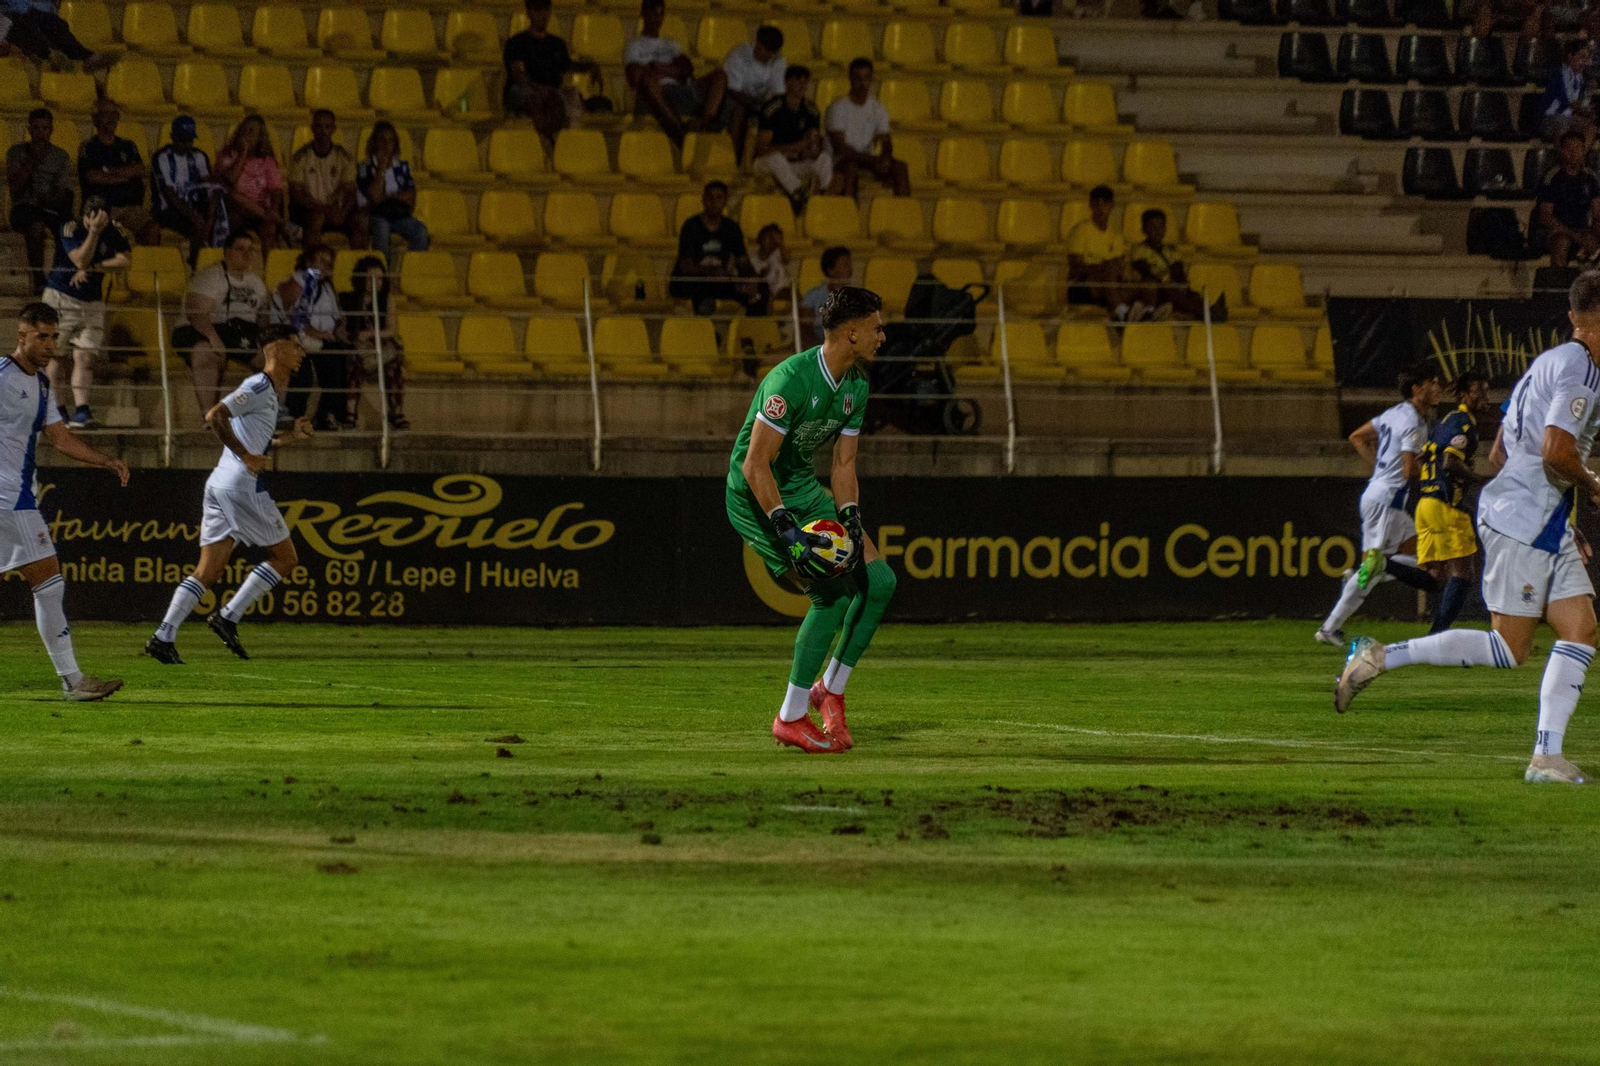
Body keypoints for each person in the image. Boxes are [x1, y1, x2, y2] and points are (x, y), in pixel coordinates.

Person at [1336, 272, 1600, 786]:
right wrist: (1591, 486)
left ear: (1572, 314)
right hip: (1525, 518)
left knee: (1581, 629)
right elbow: (1555, 451)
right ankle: (1380, 656)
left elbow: (1501, 450)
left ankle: (1546, 757)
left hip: (1539, 518)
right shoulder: (1583, 372)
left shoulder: (1548, 362)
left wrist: (1561, 514)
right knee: (1508, 647)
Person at [725, 285, 897, 754]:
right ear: (852, 333)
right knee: (832, 596)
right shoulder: (791, 380)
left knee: (879, 581)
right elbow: (754, 465)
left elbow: (843, 466)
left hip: (801, 486)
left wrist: (850, 516)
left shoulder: (856, 386)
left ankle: (831, 691)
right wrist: (785, 527)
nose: (884, 335)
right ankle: (790, 716)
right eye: (877, 327)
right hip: (755, 496)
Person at [144, 325, 314, 666]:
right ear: (276, 349)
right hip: (241, 486)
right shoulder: (257, 385)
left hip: (220, 484)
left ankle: (163, 637)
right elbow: (214, 416)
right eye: (295, 346)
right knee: (286, 558)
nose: (301, 352)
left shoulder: (269, 392)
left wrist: (289, 437)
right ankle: (229, 616)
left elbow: (256, 442)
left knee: (208, 571)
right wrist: (245, 455)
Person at [0, 300, 129, 700]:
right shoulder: (2, 376)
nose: (50, 345)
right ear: (21, 335)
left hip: (14, 497)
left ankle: (73, 681)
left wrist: (105, 460)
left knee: (48, 585)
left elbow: (59, 437)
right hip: (10, 498)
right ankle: (73, 681)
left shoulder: (41, 384)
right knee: (50, 583)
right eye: (42, 336)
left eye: (54, 337)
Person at [1315, 362, 1444, 645]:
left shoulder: (1394, 414)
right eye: (1432, 383)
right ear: (1416, 388)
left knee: (1424, 559)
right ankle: (1328, 629)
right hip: (1386, 501)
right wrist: (1438, 473)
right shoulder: (1411, 422)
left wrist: (1378, 470)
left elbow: (1358, 437)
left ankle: (1361, 575)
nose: (1438, 388)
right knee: (1381, 567)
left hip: (1385, 499)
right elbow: (1410, 470)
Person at [41, 195, 131, 430]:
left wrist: (95, 267)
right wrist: (94, 233)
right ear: (84, 217)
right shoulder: (69, 228)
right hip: (61, 298)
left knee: (85, 357)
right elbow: (79, 260)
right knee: (56, 358)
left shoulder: (114, 230)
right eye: (91, 222)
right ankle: (56, 411)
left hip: (91, 301)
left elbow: (125, 260)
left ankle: (82, 411)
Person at [1414, 371, 1491, 634]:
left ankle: (1386, 566)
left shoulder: (1447, 420)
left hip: (1426, 503)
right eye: (1479, 391)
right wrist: (1476, 478)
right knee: (1464, 573)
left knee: (1435, 577)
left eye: (1486, 391)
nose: (1485, 397)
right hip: (1446, 507)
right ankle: (1437, 635)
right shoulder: (1464, 424)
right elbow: (1450, 462)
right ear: (1464, 394)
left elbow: (1422, 458)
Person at [174, 231, 269, 414]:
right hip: (202, 329)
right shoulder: (210, 276)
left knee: (273, 360)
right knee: (205, 353)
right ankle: (209, 416)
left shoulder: (256, 283)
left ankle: (271, 413)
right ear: (226, 252)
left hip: (240, 331)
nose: (246, 254)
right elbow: (196, 313)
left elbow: (263, 317)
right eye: (240, 249)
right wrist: (214, 339)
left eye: (250, 250)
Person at [273, 244, 350, 430]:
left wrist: (339, 331)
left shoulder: (326, 286)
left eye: (329, 263)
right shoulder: (300, 281)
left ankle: (328, 414)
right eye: (321, 261)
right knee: (303, 367)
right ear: (308, 262)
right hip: (293, 337)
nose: (326, 267)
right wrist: (319, 333)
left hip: (320, 341)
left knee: (341, 360)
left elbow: (336, 317)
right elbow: (293, 317)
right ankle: (294, 414)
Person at [625, 0, 723, 144]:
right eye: (653, 13)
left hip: (680, 91)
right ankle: (681, 133)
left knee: (719, 76)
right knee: (649, 82)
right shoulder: (634, 46)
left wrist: (657, 68)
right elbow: (635, 76)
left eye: (661, 14)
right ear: (644, 14)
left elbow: (687, 69)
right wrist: (672, 70)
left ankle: (705, 124)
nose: (657, 19)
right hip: (653, 97)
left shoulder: (671, 44)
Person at [503, 0, 597, 150]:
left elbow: (567, 66)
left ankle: (559, 142)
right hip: (522, 90)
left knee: (566, 99)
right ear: (529, 12)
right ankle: (545, 141)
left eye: (545, 10)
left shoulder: (557, 44)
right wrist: (540, 89)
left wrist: (590, 67)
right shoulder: (516, 43)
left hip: (551, 90)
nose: (542, 15)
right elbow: (519, 77)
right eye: (537, 10)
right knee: (534, 98)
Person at [7, 108, 74, 294]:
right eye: (36, 128)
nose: (40, 133)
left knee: (69, 229)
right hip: (23, 207)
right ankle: (38, 280)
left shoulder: (61, 156)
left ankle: (60, 278)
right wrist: (33, 159)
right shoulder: (16, 152)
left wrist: (44, 200)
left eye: (44, 128)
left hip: (48, 205)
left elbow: (61, 192)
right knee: (35, 227)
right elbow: (15, 187)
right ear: (29, 129)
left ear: (51, 130)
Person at [754, 65, 836, 216]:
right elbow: (762, 149)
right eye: (798, 80)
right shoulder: (773, 108)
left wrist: (811, 151)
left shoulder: (810, 109)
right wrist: (792, 147)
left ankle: (823, 196)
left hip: (795, 163)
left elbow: (815, 147)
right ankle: (799, 194)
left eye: (805, 80)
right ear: (787, 83)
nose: (802, 84)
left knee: (824, 158)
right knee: (775, 159)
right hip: (767, 163)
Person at [825, 58, 911, 199]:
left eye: (866, 78)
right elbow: (840, 148)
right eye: (858, 78)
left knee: (900, 167)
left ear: (871, 79)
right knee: (850, 167)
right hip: (839, 160)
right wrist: (873, 160)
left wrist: (885, 157)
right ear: (850, 79)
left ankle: (903, 214)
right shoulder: (837, 108)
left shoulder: (878, 109)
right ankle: (850, 212)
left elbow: (886, 142)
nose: (863, 83)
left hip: (865, 159)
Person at [669, 180, 759, 315]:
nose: (714, 201)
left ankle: (748, 331)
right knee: (705, 289)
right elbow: (686, 266)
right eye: (710, 197)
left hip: (719, 282)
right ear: (703, 200)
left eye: (719, 197)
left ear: (725, 201)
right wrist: (712, 273)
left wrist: (751, 279)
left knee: (759, 292)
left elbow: (743, 261)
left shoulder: (731, 228)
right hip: (691, 282)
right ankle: (708, 332)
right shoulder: (691, 226)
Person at [340, 255, 407, 430]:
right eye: (371, 278)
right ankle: (350, 414)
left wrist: (369, 334)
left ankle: (396, 413)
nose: (376, 282)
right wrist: (356, 337)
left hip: (379, 345)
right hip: (358, 348)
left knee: (394, 368)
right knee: (353, 363)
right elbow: (342, 328)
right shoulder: (348, 299)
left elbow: (391, 330)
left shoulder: (387, 299)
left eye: (379, 278)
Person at [78, 102, 158, 246]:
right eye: (106, 114)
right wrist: (125, 177)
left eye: (114, 114)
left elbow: (139, 170)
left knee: (152, 228)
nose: (111, 118)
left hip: (129, 207)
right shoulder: (89, 146)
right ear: (95, 119)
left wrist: (107, 170)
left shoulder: (128, 145)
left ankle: (146, 267)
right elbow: (93, 177)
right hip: (102, 208)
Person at [288, 109, 366, 252]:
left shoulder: (343, 157)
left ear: (333, 129)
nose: (323, 131)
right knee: (315, 220)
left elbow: (350, 191)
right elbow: (297, 194)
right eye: (319, 126)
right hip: (312, 210)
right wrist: (324, 209)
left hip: (337, 211)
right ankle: (313, 273)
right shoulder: (301, 157)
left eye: (327, 127)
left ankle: (357, 270)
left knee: (361, 222)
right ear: (312, 129)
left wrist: (342, 213)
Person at [151, 115, 222, 264]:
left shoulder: (199, 156)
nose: (186, 144)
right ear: (172, 137)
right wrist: (193, 215)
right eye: (182, 140)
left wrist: (211, 212)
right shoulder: (162, 157)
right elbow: (169, 194)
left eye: (189, 140)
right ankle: (195, 263)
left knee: (220, 219)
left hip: (194, 204)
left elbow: (209, 186)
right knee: (197, 225)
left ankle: (210, 262)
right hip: (168, 209)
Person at [713, 24, 786, 164]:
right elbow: (734, 90)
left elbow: (778, 93)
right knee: (739, 109)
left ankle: (759, 159)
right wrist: (757, 107)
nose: (770, 56)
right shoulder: (739, 55)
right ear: (758, 44)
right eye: (767, 51)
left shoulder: (778, 60)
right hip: (731, 99)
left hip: (757, 103)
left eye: (774, 52)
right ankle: (732, 158)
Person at [1065, 185, 1136, 320]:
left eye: (1105, 204)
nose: (1101, 209)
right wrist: (1102, 267)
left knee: (1143, 285)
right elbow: (1075, 268)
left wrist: (1107, 268)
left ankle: (1131, 312)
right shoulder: (1080, 231)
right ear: (1091, 206)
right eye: (1096, 204)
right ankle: (1123, 312)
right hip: (1082, 286)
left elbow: (1119, 267)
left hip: (1109, 285)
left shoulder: (1116, 236)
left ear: (1111, 206)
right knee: (1110, 271)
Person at [358, 121, 430, 253]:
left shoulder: (402, 166)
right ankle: (382, 270)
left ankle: (410, 268)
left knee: (420, 231)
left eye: (390, 141)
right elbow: (373, 198)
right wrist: (381, 170)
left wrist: (386, 197)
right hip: (375, 215)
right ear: (374, 143)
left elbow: (410, 197)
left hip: (397, 215)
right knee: (382, 230)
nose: (386, 145)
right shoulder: (365, 167)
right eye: (382, 140)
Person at [1126, 208, 1211, 321]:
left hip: (1170, 289)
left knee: (1194, 295)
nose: (1157, 230)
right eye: (1152, 226)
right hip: (1152, 292)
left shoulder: (1171, 252)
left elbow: (1179, 274)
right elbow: (1147, 274)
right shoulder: (1139, 251)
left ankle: (1202, 312)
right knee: (1170, 291)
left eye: (1161, 226)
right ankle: (1206, 313)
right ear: (1144, 229)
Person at [216, 115, 286, 249]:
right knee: (232, 198)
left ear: (260, 137)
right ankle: (277, 221)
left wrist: (274, 209)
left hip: (262, 207)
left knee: (269, 230)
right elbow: (229, 182)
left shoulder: (267, 160)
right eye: (245, 130)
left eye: (252, 131)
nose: (247, 134)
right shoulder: (228, 154)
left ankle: (269, 267)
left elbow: (276, 189)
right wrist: (243, 154)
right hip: (236, 209)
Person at [1533, 131, 1600, 267]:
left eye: (1578, 148)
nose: (1574, 153)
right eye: (1570, 149)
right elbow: (1545, 217)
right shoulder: (1552, 178)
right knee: (1561, 242)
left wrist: (1592, 234)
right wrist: (1574, 235)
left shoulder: (1590, 177)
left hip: (1581, 229)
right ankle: (1557, 284)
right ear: (1562, 151)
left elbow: (1597, 213)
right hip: (1553, 230)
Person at [3, 0, 112, 69]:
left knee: (54, 23)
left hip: (26, 13)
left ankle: (84, 55)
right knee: (20, 25)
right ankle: (48, 54)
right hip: (7, 18)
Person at [1542, 40, 1593, 141]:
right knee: (1562, 123)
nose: (1585, 61)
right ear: (1570, 56)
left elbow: (1585, 103)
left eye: (1586, 58)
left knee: (1590, 127)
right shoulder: (1559, 74)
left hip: (1569, 118)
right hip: (1551, 118)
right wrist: (1588, 112)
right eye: (1582, 57)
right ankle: (1563, 156)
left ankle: (1580, 156)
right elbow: (1572, 103)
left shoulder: (1582, 78)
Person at [801, 245, 851, 345]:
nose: (850, 270)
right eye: (845, 265)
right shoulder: (813, 296)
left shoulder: (854, 297)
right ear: (830, 270)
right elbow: (805, 327)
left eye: (850, 265)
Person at [748, 222, 788, 316]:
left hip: (780, 290)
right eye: (769, 237)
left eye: (775, 238)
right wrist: (761, 275)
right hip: (763, 292)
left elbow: (787, 259)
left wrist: (780, 244)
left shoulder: (777, 254)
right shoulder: (753, 259)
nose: (772, 241)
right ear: (760, 239)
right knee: (766, 295)